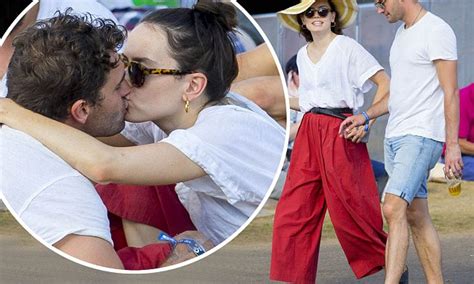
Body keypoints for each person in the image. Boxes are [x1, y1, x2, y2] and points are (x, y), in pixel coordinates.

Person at [0, 1, 285, 247]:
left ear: (193, 85)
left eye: (138, 70)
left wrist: (11, 111)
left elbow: (105, 164)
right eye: (121, 63)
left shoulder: (224, 129)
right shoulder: (164, 117)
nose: (122, 80)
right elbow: (86, 129)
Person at [0, 12, 214, 270]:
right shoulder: (62, 191)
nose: (128, 89)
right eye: (118, 86)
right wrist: (183, 252)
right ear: (81, 110)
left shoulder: (15, 132)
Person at [340, 1, 463, 283]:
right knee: (416, 215)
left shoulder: (436, 30)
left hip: (420, 136)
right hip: (396, 135)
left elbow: (451, 91)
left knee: (393, 206)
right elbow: (398, 95)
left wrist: (452, 144)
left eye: (381, 3)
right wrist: (365, 116)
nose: (379, 10)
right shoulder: (402, 34)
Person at [270, 0, 390, 283]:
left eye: (323, 10)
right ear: (301, 21)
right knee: (293, 210)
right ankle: (294, 278)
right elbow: (310, 102)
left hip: (340, 130)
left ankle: (391, 261)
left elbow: (386, 84)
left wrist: (366, 121)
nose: (316, 16)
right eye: (309, 13)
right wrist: (270, 103)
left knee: (352, 211)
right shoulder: (301, 54)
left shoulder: (347, 48)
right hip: (310, 131)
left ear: (333, 15)